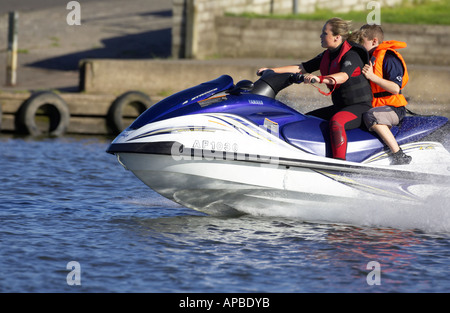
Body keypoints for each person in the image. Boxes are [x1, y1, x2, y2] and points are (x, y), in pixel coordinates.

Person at [258, 17, 373, 161]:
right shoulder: (327, 55)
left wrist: (320, 78)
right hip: (340, 106)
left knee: (336, 122)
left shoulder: (352, 54)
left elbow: (343, 76)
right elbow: (301, 68)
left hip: (360, 107)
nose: (320, 36)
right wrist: (272, 70)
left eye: (324, 33)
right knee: (305, 119)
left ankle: (340, 164)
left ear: (337, 37)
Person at [357, 24, 412, 165]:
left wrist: (372, 77)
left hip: (393, 108)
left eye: (361, 42)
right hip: (376, 105)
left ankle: (399, 155)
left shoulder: (389, 57)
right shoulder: (368, 58)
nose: (359, 45)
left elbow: (394, 88)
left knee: (371, 115)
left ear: (374, 41)